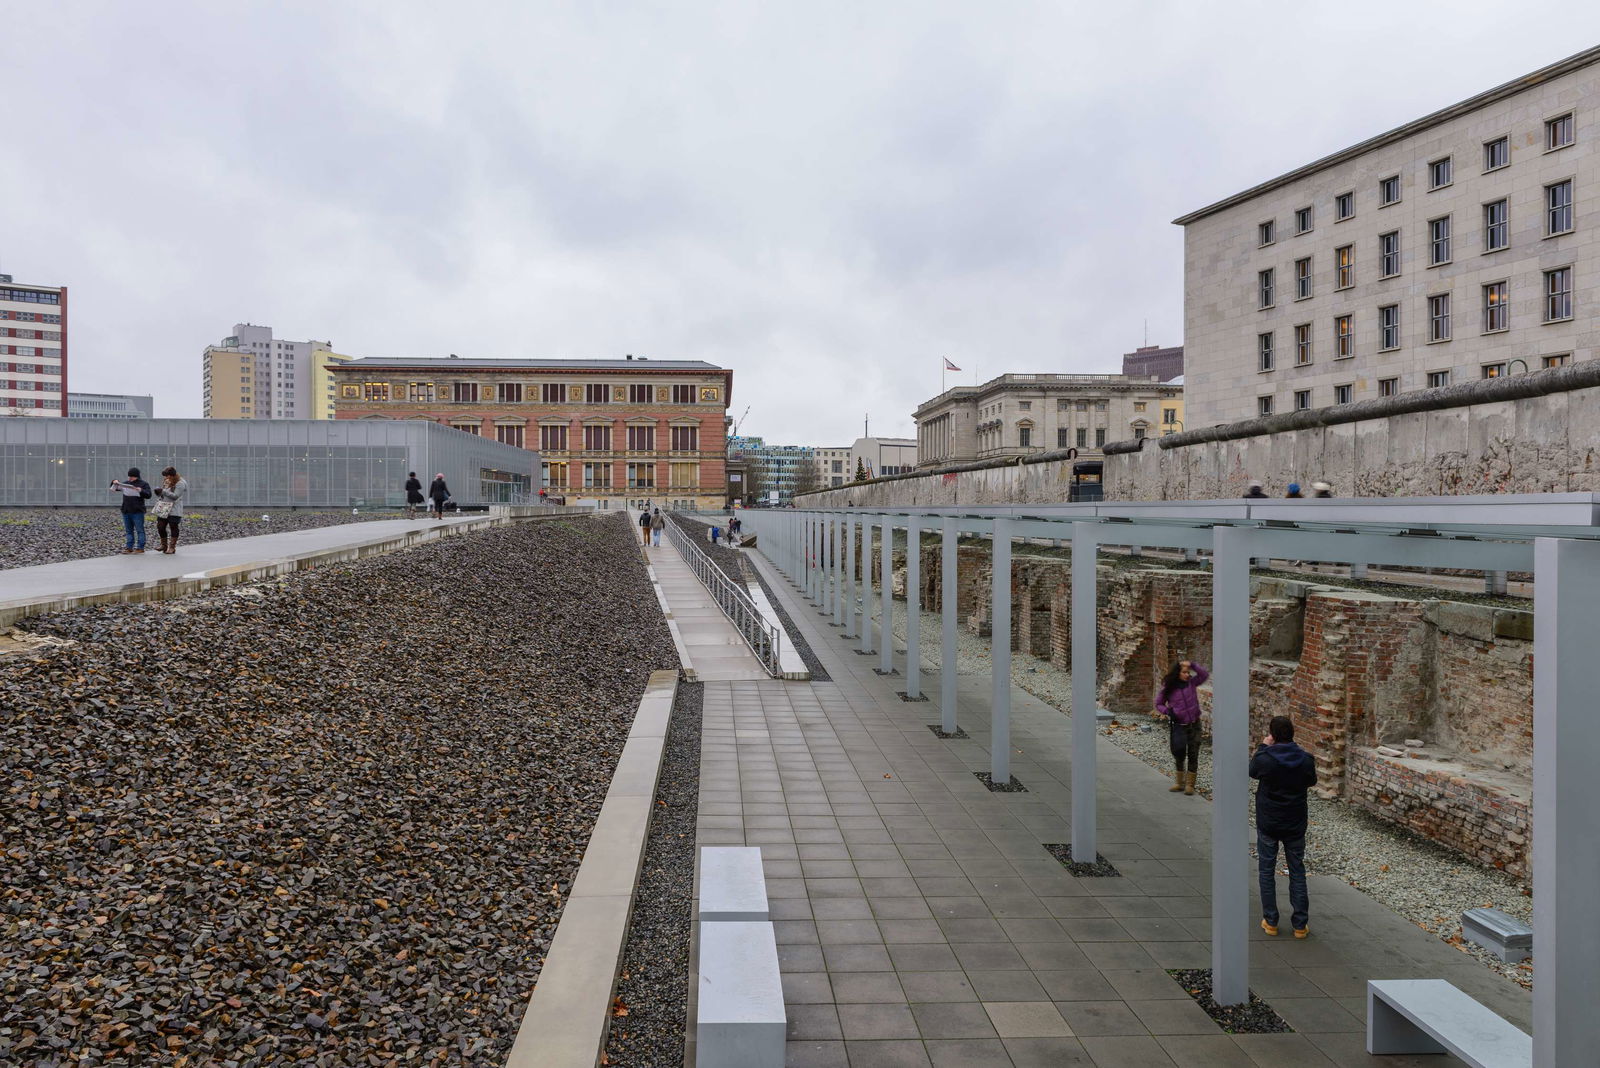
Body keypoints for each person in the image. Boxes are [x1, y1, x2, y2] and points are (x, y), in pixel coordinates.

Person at [1251, 714, 1318, 938]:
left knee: (1266, 870)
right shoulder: (1306, 759)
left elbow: (1252, 771)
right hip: (1295, 822)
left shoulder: (1266, 758)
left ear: (1273, 735)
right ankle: (1300, 924)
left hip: (1269, 821)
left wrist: (1263, 746)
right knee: (1297, 870)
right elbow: (1311, 781)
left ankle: (1271, 921)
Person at [1155, 659, 1209, 794]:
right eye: (1184, 672)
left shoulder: (1191, 683)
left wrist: (1192, 665)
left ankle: (1190, 784)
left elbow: (1204, 675)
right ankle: (1179, 782)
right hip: (1179, 726)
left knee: (1193, 753)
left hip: (1194, 724)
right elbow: (1158, 703)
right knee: (1179, 753)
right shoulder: (1169, 687)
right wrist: (1168, 712)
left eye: (1188, 673)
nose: (1187, 675)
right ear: (1177, 673)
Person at [110, 466, 152, 554]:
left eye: (132, 477)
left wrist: (141, 491)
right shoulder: (126, 483)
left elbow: (148, 495)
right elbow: (114, 488)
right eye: (129, 476)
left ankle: (140, 547)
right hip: (126, 510)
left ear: (136, 476)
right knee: (128, 530)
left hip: (138, 511)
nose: (130, 478)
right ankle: (129, 547)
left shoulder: (144, 484)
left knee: (140, 530)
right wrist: (114, 482)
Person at [152, 466, 188, 555]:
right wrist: (159, 493)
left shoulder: (180, 483)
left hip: (174, 508)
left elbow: (175, 496)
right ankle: (163, 545)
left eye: (167, 476)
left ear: (172, 475)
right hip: (164, 506)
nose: (166, 478)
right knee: (160, 526)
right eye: (165, 476)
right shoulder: (167, 481)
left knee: (173, 526)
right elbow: (164, 493)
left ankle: (172, 547)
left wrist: (163, 491)